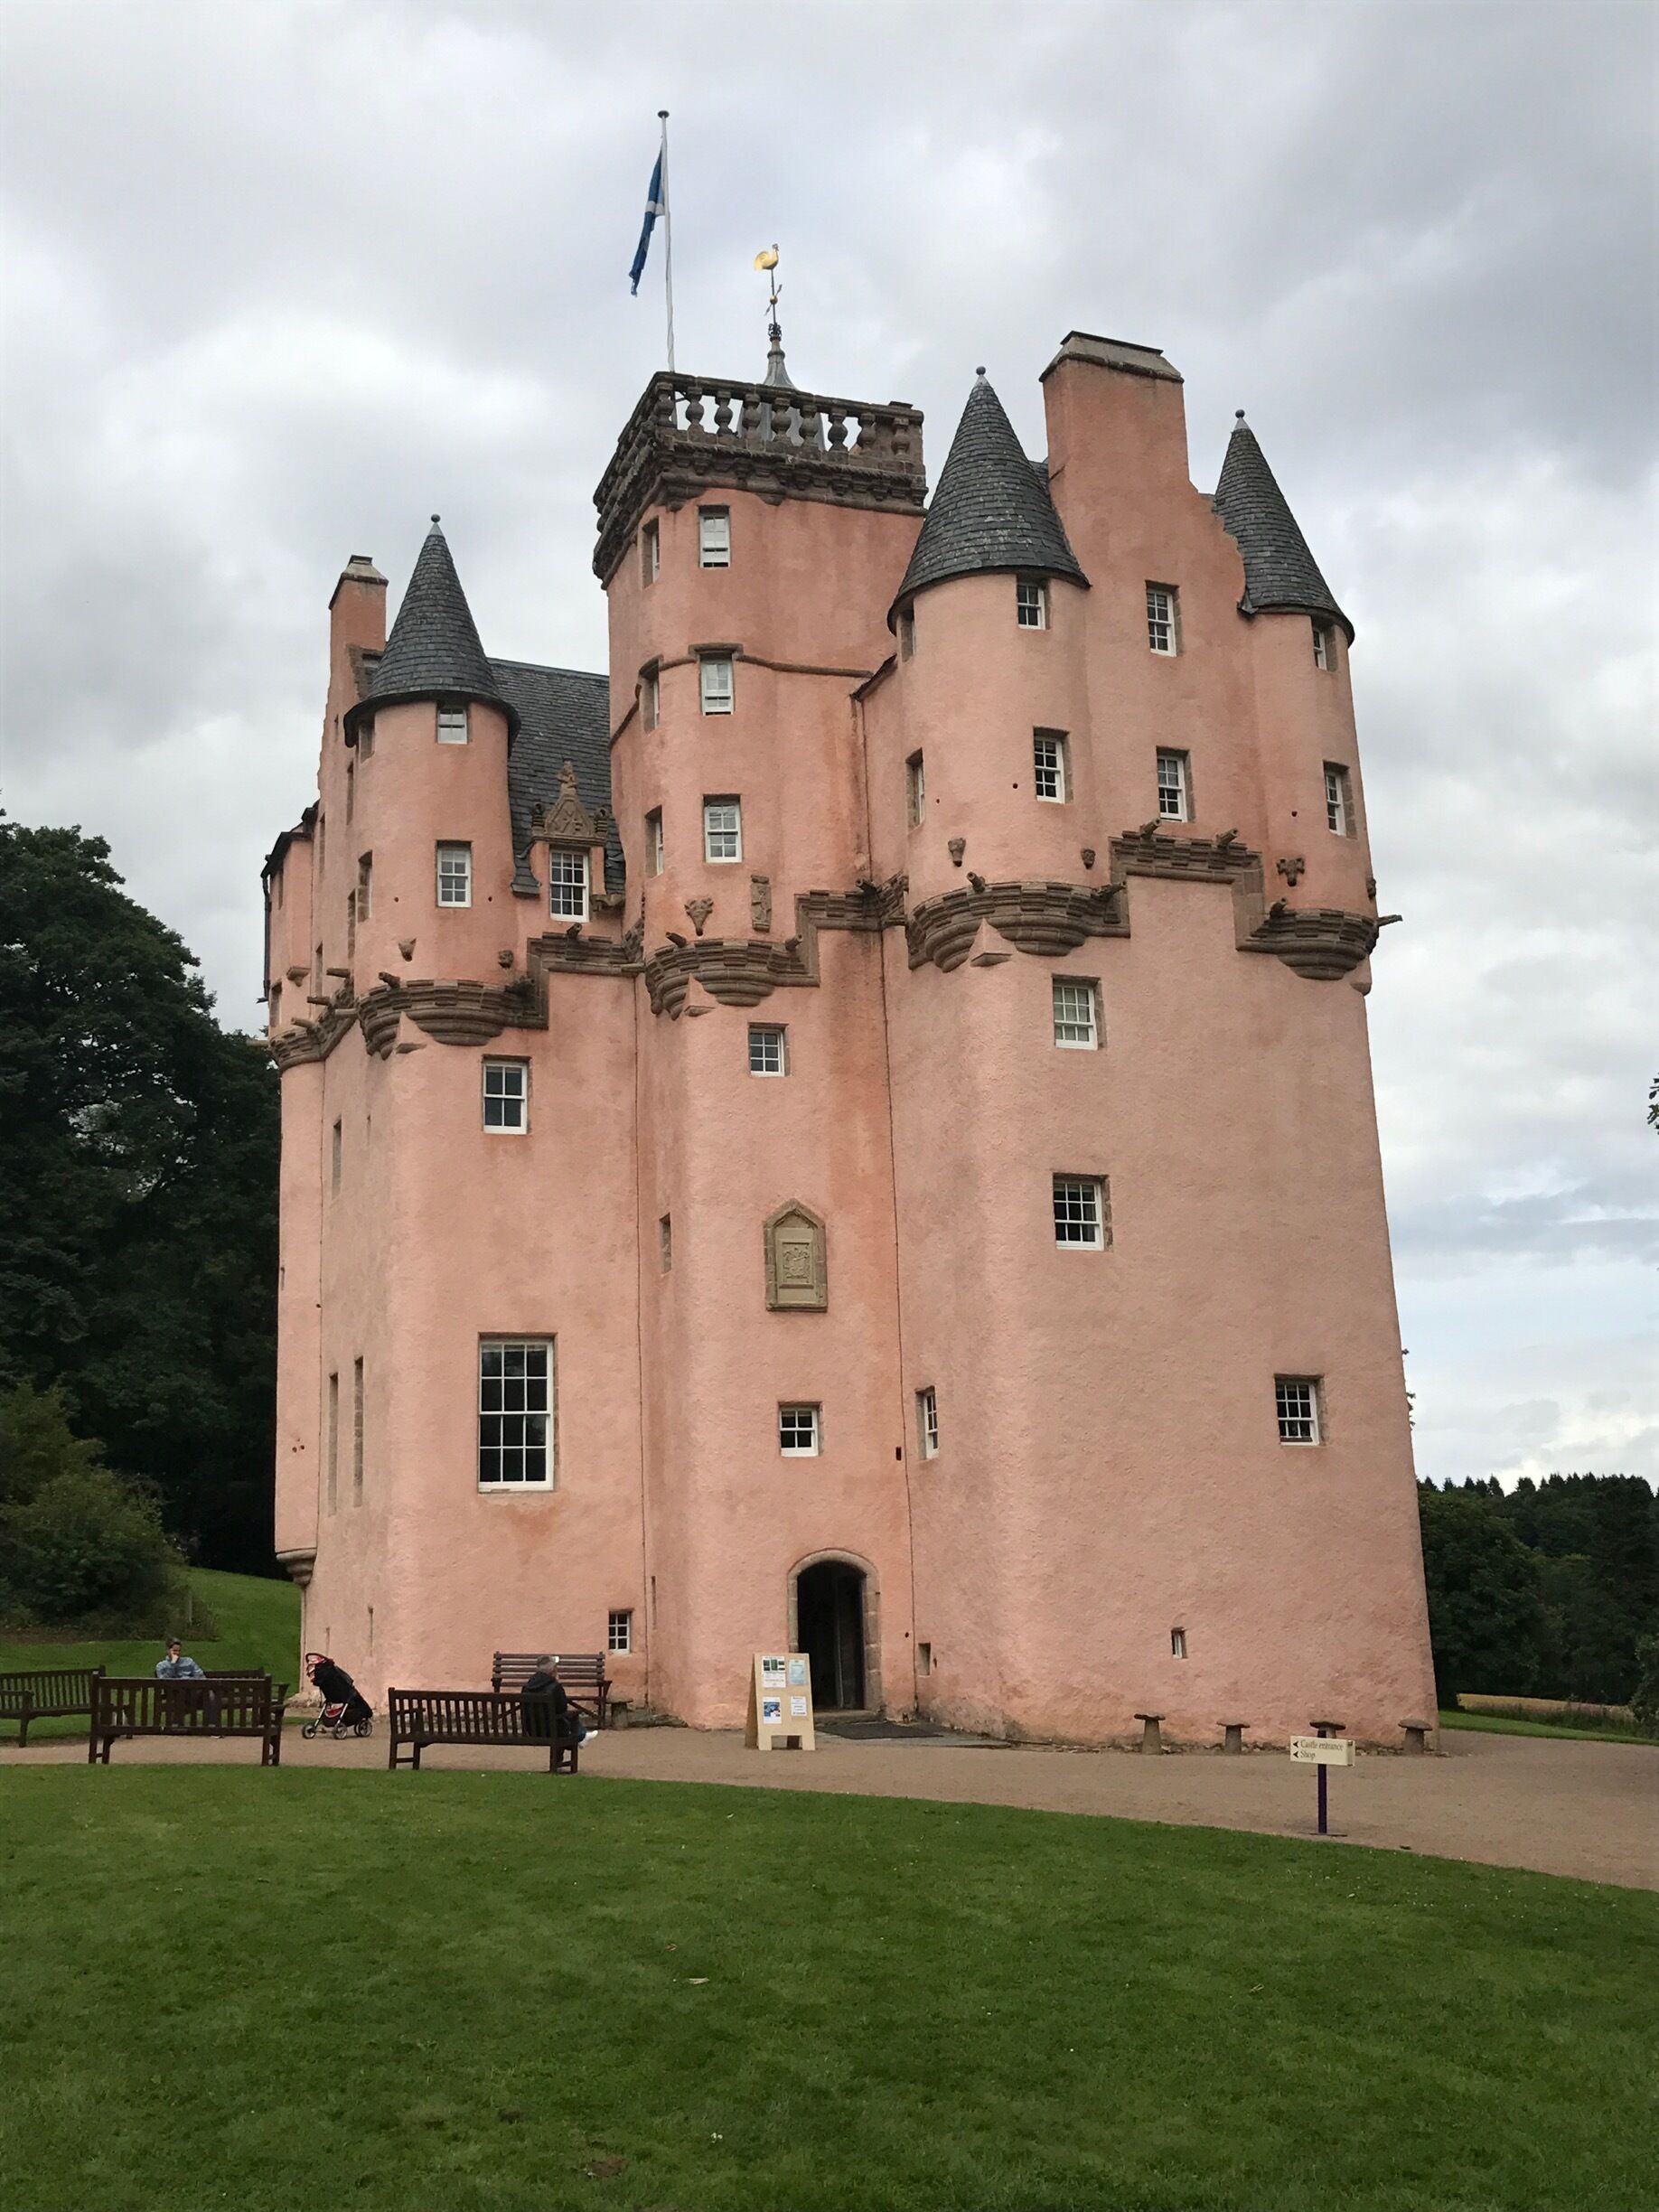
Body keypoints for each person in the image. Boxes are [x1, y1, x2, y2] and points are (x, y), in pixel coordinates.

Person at [520, 1656, 586, 1748]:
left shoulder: (526, 1688)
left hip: (532, 1730)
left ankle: (581, 1738)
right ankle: (582, 1736)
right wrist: (557, 1683)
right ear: (553, 1671)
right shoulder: (555, 1687)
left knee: (567, 1720)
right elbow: (562, 1709)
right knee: (572, 1718)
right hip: (552, 1731)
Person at [155, 1639, 217, 1725]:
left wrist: (190, 1681)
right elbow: (163, 1681)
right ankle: (178, 1724)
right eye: (174, 1651)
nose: (177, 1653)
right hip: (175, 1694)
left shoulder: (189, 1661)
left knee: (210, 1694)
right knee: (180, 1693)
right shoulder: (161, 1666)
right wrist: (172, 1665)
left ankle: (212, 1725)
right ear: (167, 1650)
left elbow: (200, 1676)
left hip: (194, 1691)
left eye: (179, 1651)